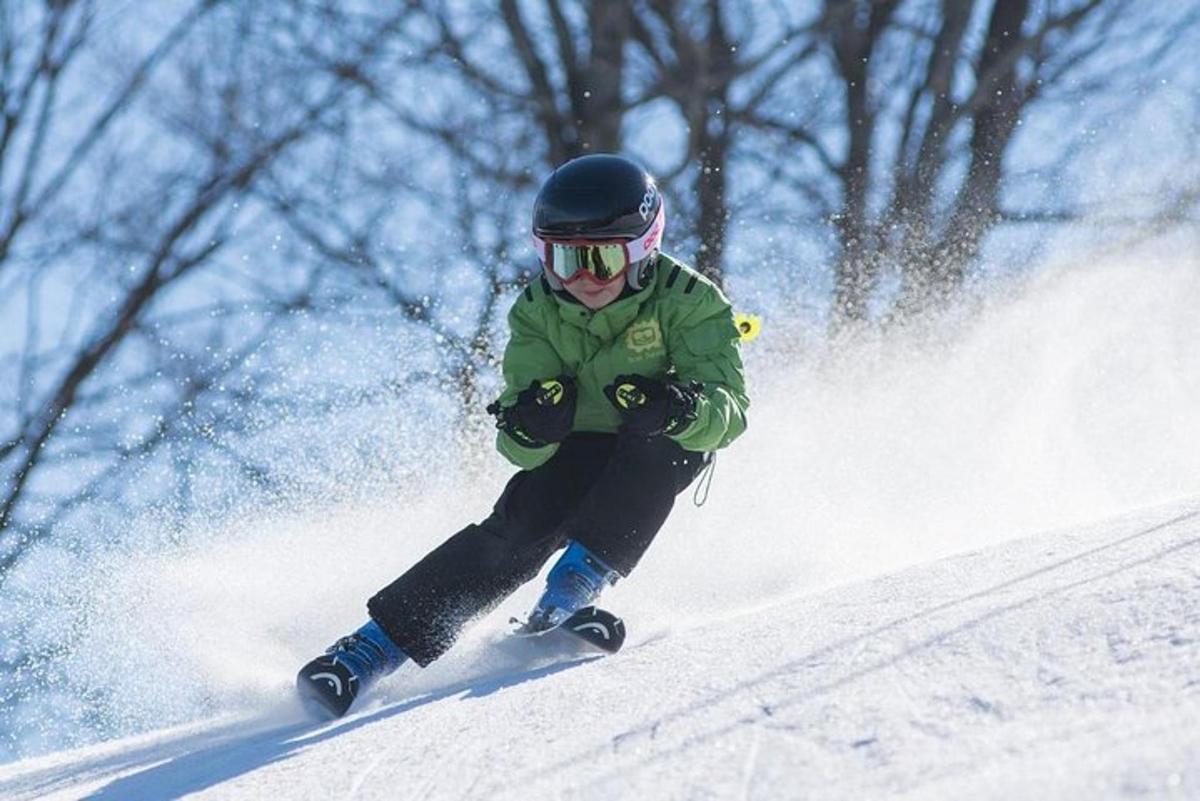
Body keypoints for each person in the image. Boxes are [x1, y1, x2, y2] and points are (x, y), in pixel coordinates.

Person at [297, 153, 750, 718]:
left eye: (602, 259)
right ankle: (368, 652)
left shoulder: (690, 300)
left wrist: (679, 408)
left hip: (656, 438)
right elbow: (516, 444)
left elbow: (730, 412)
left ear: (642, 250)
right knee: (522, 524)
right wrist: (532, 425)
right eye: (563, 260)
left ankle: (571, 592)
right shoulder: (537, 310)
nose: (581, 279)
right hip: (578, 444)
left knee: (664, 451)